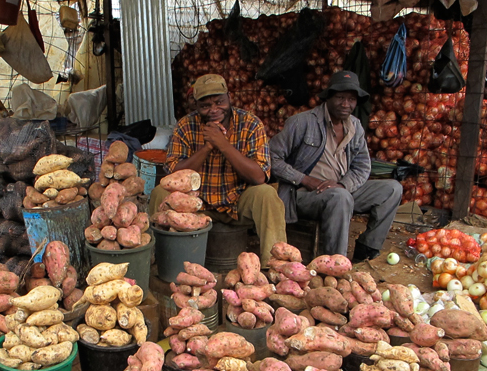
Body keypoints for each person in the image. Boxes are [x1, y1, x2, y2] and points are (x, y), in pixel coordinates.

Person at [149, 73, 287, 264]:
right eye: (205, 106)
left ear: (229, 98)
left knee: (267, 195)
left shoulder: (250, 123)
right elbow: (174, 175)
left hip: (238, 201)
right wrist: (207, 147)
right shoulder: (185, 126)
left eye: (219, 102)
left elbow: (259, 177)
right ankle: (158, 264)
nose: (214, 110)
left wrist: (223, 145)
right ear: (196, 106)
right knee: (160, 193)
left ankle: (275, 267)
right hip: (196, 205)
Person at [270, 70, 402, 262]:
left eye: (351, 99)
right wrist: (306, 180)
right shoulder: (302, 122)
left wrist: (343, 185)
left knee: (393, 189)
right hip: (304, 194)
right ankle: (334, 263)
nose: (345, 104)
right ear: (328, 97)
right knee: (339, 197)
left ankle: (366, 249)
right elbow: (272, 158)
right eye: (340, 97)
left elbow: (362, 166)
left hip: (340, 191)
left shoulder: (355, 126)